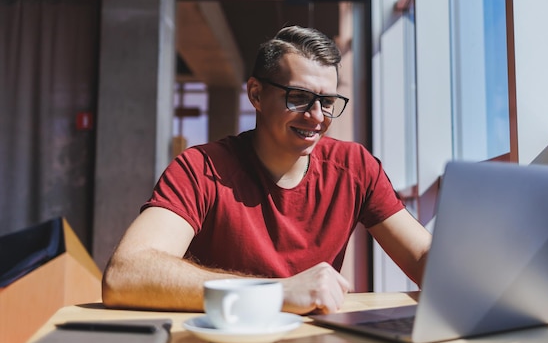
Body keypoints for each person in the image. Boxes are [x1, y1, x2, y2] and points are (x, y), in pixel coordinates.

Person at [101, 25, 432, 315]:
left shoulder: (355, 168)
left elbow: (421, 256)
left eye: (327, 102)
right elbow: (126, 273)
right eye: (299, 97)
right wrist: (277, 292)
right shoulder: (201, 169)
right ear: (256, 94)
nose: (317, 116)